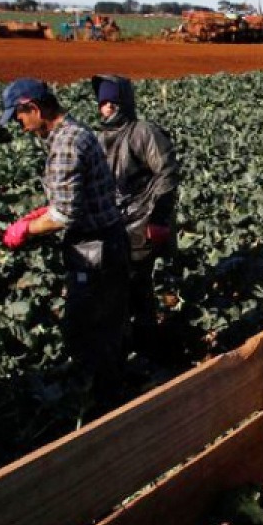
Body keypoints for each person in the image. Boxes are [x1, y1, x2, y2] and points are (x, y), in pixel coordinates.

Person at [0, 77, 131, 412]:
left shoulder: (66, 144)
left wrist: (26, 230)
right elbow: (80, 195)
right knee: (106, 327)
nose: (20, 125)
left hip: (95, 249)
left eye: (19, 116)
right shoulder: (76, 132)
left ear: (34, 108)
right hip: (108, 242)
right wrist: (43, 212)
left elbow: (64, 215)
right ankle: (111, 394)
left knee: (86, 330)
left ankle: (103, 408)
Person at [90, 74, 180, 365]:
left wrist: (159, 218)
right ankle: (130, 344)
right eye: (102, 102)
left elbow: (166, 173)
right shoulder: (102, 136)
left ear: (123, 102)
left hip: (141, 222)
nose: (106, 107)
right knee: (118, 285)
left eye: (111, 101)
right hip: (113, 224)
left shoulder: (143, 132)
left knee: (136, 283)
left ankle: (147, 350)